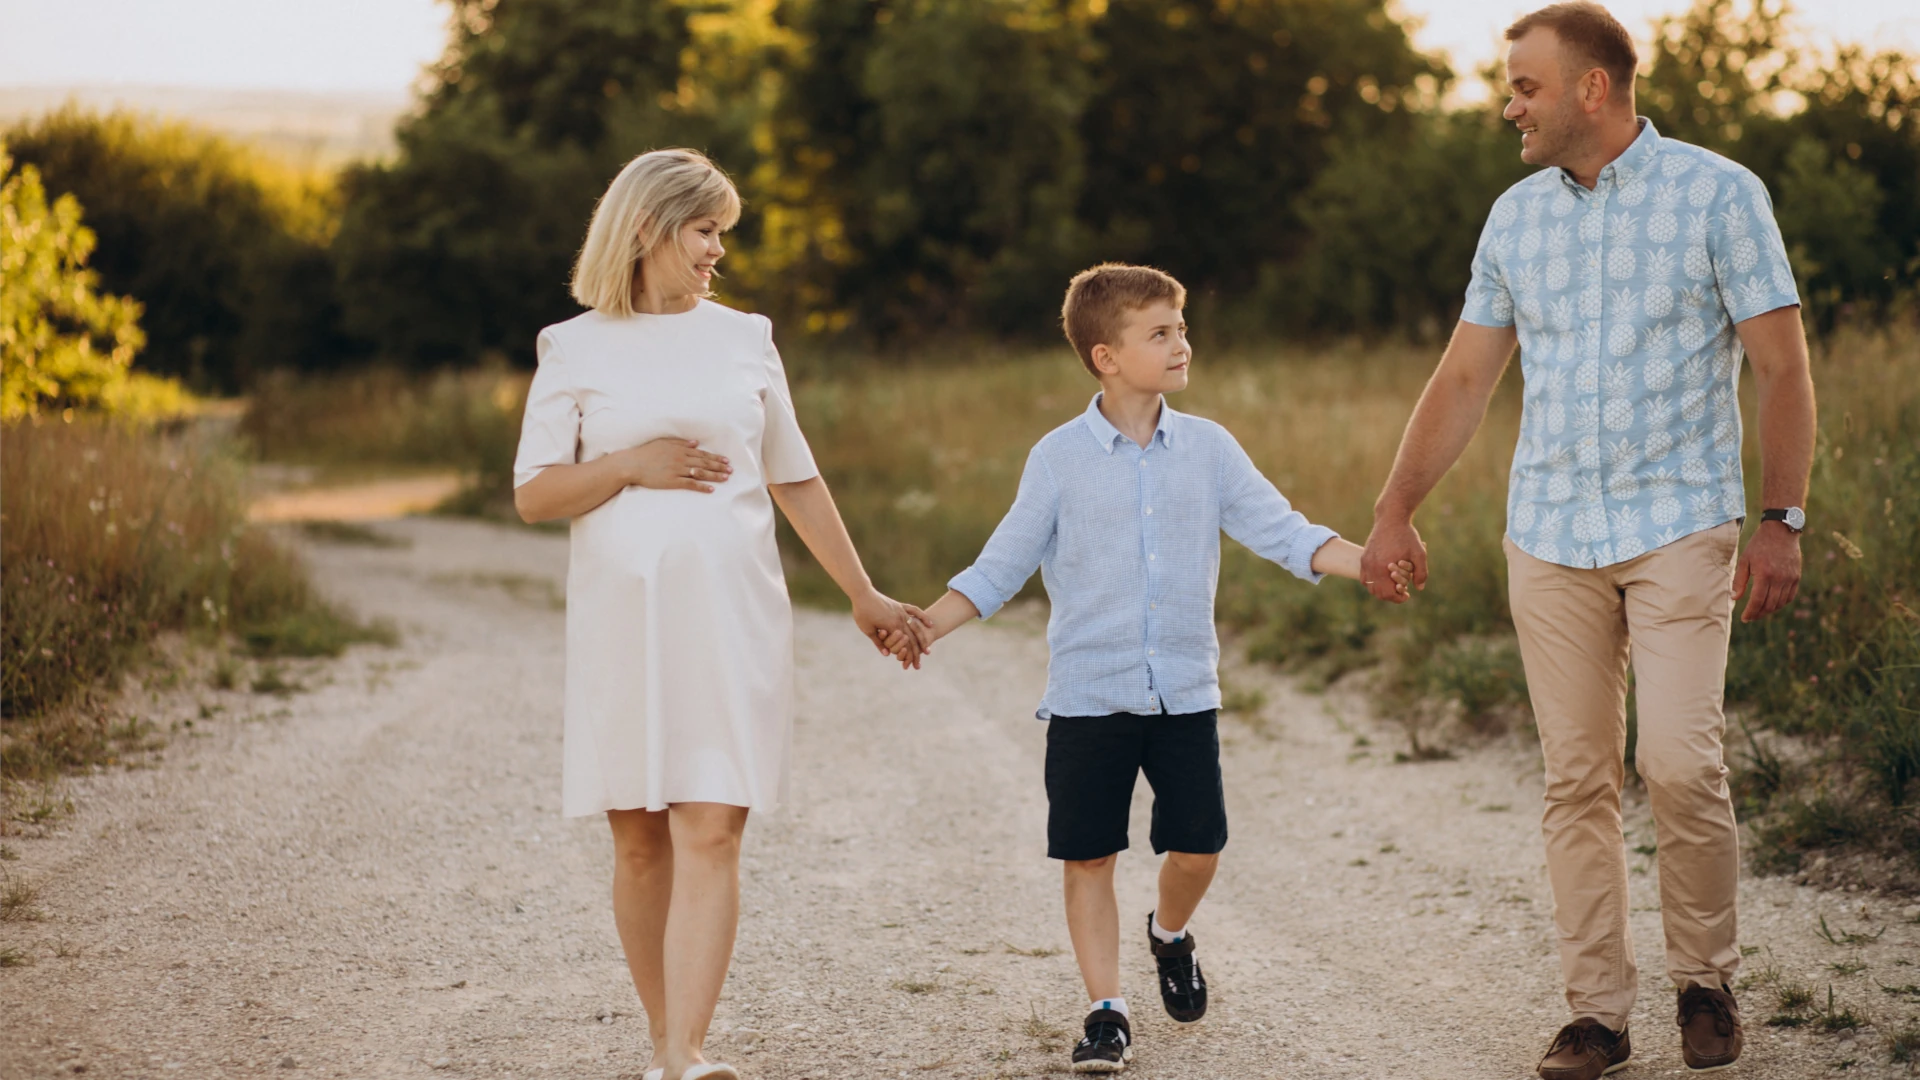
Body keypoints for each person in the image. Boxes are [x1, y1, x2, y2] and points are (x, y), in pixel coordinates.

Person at [1358, 5, 1815, 1078]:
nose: (1508, 106)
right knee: (1575, 777)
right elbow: (1466, 377)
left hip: (1680, 527)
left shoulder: (1720, 194)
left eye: (1523, 86)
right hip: (1551, 533)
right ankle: (1597, 1017)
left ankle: (1705, 981)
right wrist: (1392, 510)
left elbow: (1783, 369)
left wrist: (1782, 518)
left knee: (1680, 764)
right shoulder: (1514, 219)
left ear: (1591, 89)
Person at [906, 263, 1409, 1073]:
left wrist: (1370, 563)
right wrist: (926, 625)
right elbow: (1002, 565)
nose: (1183, 343)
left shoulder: (1209, 449)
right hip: (1088, 696)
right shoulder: (1058, 459)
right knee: (1089, 856)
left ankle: (1169, 935)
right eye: (1161, 332)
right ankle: (1106, 1010)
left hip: (1183, 694)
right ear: (1106, 356)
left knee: (1199, 849)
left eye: (1181, 327)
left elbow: (1285, 532)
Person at [512, 148, 929, 1080]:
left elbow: (795, 477)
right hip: (625, 624)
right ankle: (667, 1043)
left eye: (720, 235)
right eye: (705, 232)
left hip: (732, 613)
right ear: (651, 227)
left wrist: (861, 594)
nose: (716, 253)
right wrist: (629, 465)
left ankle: (684, 1056)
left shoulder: (748, 339)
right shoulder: (571, 346)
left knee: (712, 824)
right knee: (639, 839)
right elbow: (535, 496)